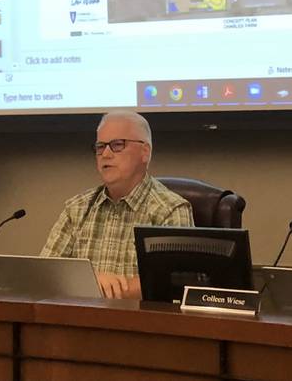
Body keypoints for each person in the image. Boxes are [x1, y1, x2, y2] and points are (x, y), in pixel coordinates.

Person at [40, 111, 194, 299]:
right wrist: (93, 280)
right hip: (79, 321)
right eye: (100, 146)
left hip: (141, 323)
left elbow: (175, 283)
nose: (105, 154)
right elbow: (46, 275)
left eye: (117, 145)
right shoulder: (77, 209)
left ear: (145, 152)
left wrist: (95, 286)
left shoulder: (171, 210)